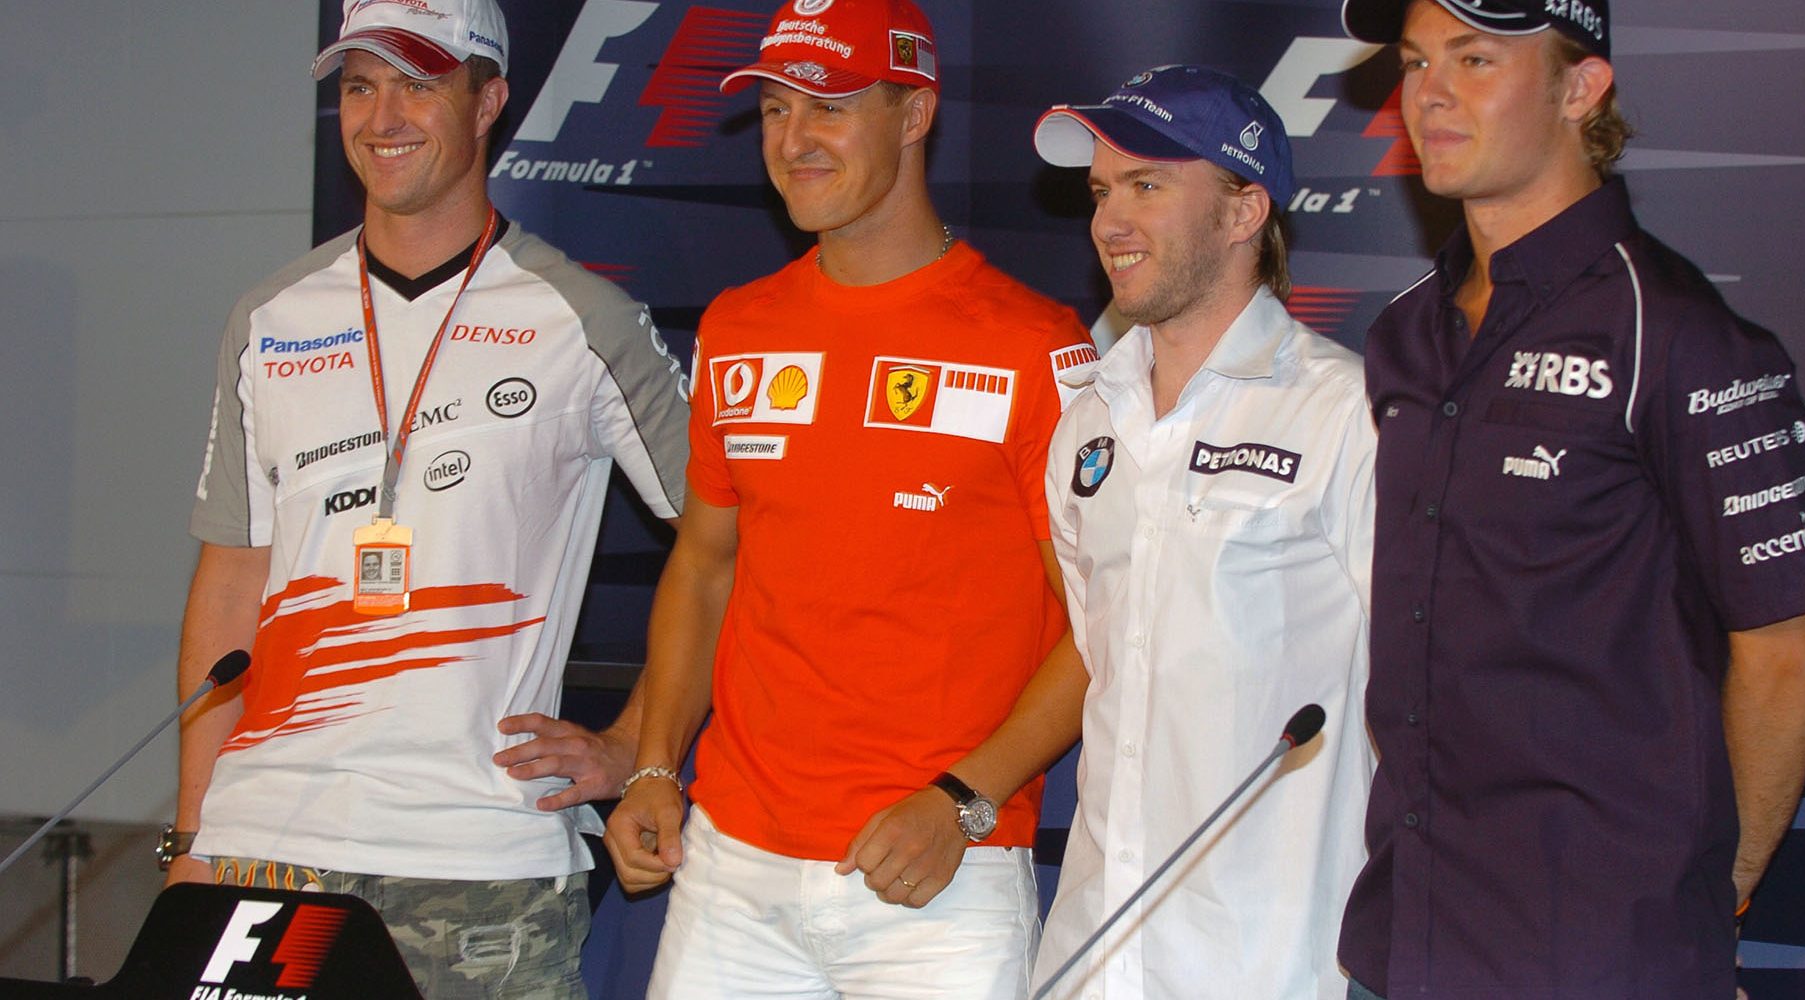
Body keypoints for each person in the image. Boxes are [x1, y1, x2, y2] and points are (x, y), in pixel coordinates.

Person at [168, 1, 689, 995]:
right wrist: (192, 835)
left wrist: (637, 744)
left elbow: (728, 550)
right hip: (263, 849)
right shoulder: (270, 315)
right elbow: (231, 583)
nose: (382, 116)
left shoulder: (581, 318)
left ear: (489, 99)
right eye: (360, 86)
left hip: (477, 864)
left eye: (418, 82)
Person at [1334, 2, 1805, 997]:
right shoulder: (1403, 334)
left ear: (1580, 88)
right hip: (1407, 939)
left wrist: (1712, 890)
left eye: (1475, 59)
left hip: (1603, 954)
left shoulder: (1680, 334)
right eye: (1416, 61)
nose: (1430, 91)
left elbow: (1790, 654)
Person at [600, 0, 1095, 995]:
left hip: (935, 877)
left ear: (914, 113)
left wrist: (965, 798)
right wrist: (655, 762)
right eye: (777, 110)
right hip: (730, 867)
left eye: (827, 105)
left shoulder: (1034, 346)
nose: (793, 140)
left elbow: (1107, 620)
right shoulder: (738, 328)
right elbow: (703, 565)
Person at [1026, 66, 1377, 1000]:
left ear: (1242, 210)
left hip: (1274, 963)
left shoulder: (1343, 411)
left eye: (1148, 184)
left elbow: (1428, 700)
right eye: (1101, 191)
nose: (1109, 221)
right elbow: (1103, 661)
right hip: (1093, 956)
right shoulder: (1086, 418)